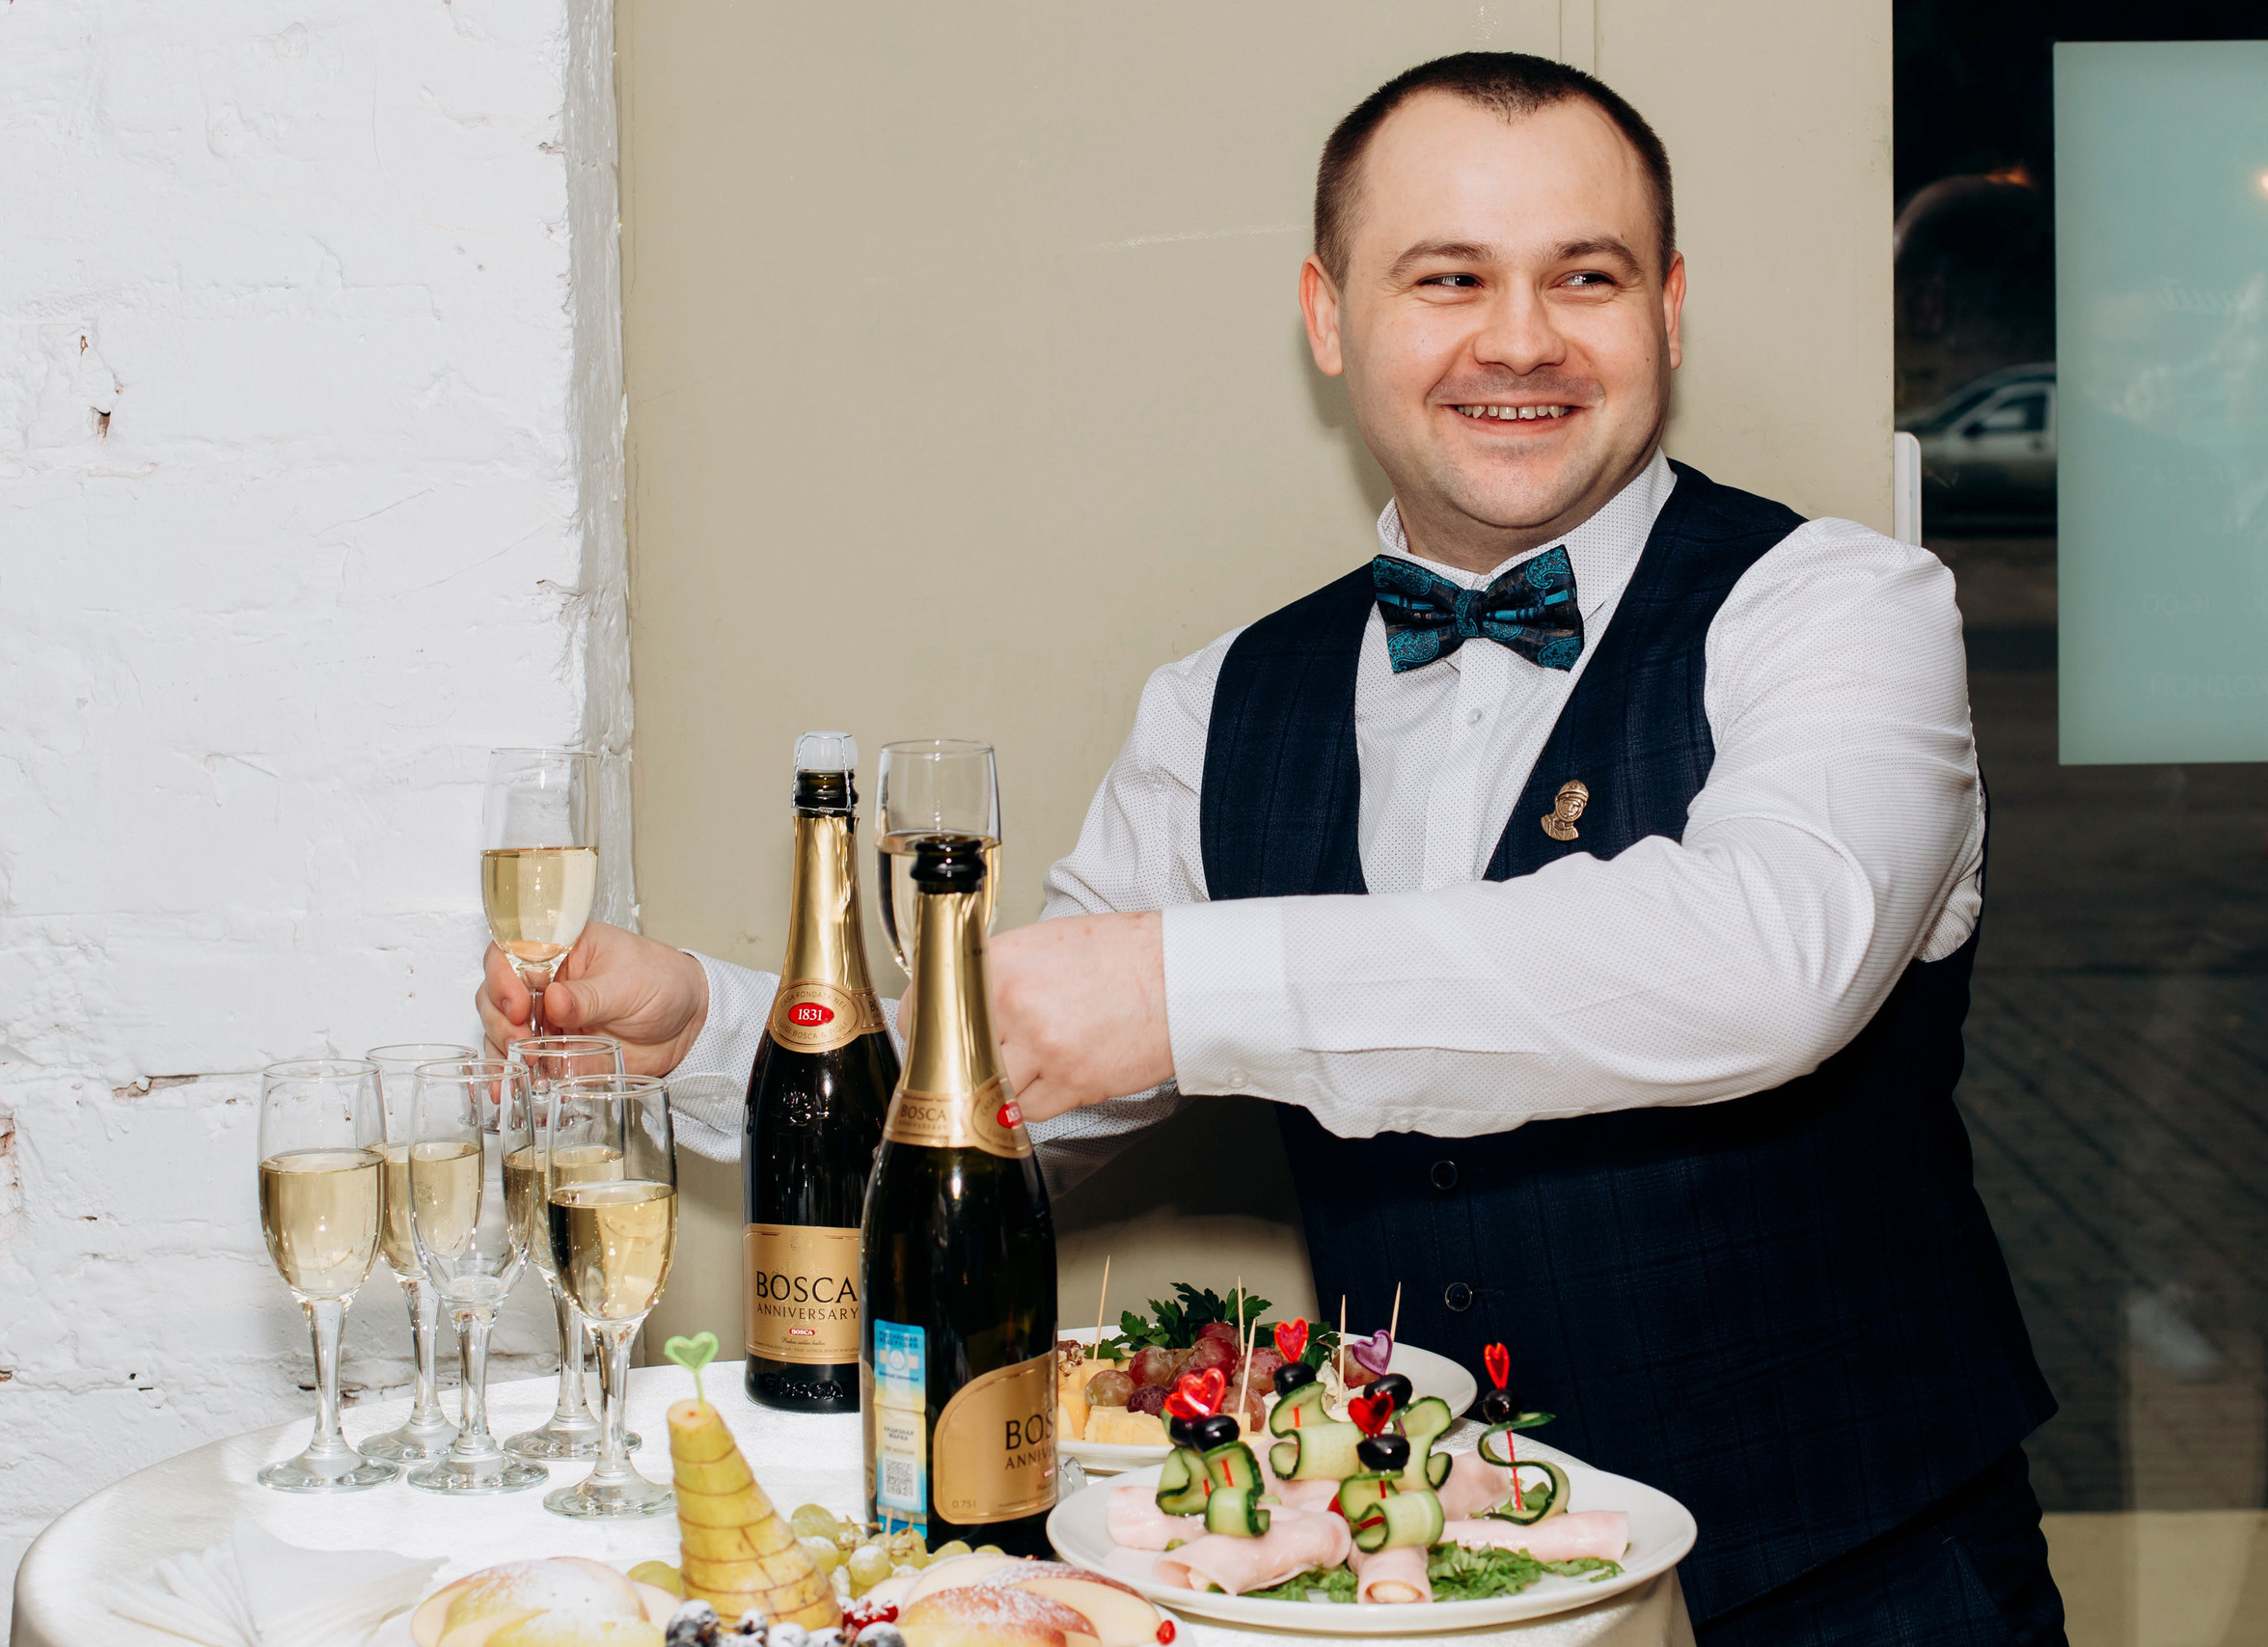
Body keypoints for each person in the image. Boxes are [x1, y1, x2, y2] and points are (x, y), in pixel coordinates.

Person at [479, 52, 2063, 1646]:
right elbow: (1022, 1085)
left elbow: (1767, 960)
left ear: (1666, 308)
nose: (1520, 337)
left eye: (1584, 277)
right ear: (1328, 318)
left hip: (1857, 1583)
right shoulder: (1221, 701)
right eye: (1448, 279)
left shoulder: (1843, 608)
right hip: (1384, 1595)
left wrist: (1184, 982)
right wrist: (701, 1031)